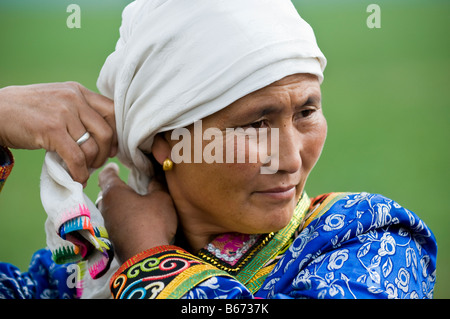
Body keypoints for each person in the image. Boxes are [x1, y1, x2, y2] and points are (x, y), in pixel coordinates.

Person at [1, 0, 437, 299]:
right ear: (164, 140)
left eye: (306, 111)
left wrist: (148, 257)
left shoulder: (374, 241)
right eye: (256, 123)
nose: (288, 159)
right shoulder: (83, 271)